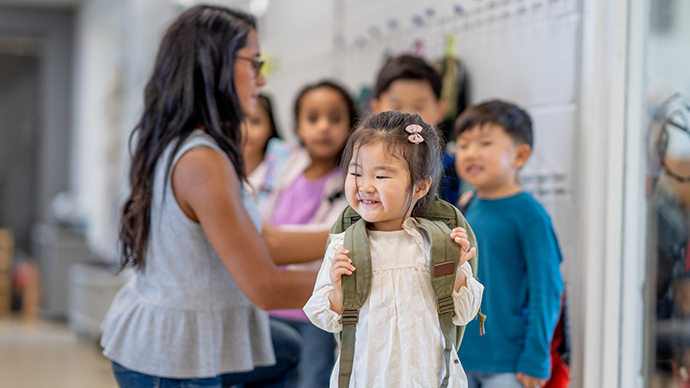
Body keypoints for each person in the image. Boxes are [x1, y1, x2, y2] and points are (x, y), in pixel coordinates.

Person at [99, 6, 317, 388]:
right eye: (254, 63)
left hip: (173, 337)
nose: (261, 79)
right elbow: (267, 288)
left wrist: (356, 233)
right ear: (214, 65)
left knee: (286, 347)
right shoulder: (201, 160)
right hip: (173, 359)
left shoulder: (192, 144)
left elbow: (265, 241)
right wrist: (378, 274)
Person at [304, 111, 484, 387]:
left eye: (381, 176)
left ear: (421, 186)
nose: (365, 186)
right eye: (356, 173)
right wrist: (339, 291)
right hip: (367, 377)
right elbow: (324, 318)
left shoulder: (436, 243)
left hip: (430, 378)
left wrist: (456, 268)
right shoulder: (345, 245)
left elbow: (464, 313)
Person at [251, 80, 358, 388]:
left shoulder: (352, 180)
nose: (323, 127)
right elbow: (256, 220)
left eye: (335, 119)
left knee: (312, 379)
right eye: (313, 118)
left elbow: (340, 240)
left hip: (314, 311)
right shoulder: (281, 164)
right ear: (297, 126)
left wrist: (275, 241)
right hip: (266, 304)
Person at [453, 100, 564, 388]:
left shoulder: (530, 215)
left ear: (520, 155)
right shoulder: (463, 208)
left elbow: (547, 291)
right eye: (463, 145)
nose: (471, 153)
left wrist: (536, 357)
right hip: (460, 357)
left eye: (485, 143)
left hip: (510, 363)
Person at [369, 54, 461, 205]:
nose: (408, 117)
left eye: (419, 107)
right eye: (396, 107)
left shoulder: (456, 169)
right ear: (376, 109)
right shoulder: (365, 167)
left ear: (440, 109)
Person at [241, 94, 280, 178]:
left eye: (255, 122)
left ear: (271, 126)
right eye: (237, 121)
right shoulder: (220, 173)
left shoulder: (291, 164)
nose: (246, 130)